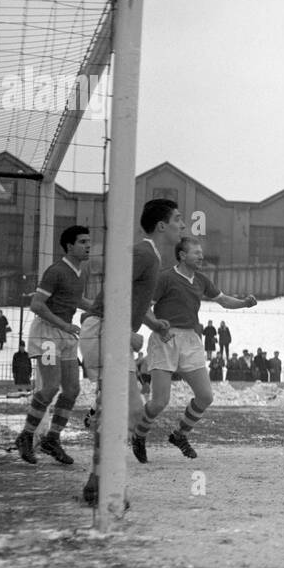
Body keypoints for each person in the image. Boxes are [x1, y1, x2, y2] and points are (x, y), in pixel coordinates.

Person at [79, 198, 186, 505]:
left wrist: (151, 321)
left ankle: (96, 482)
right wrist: (125, 331)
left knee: (115, 409)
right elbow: (113, 289)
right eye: (178, 219)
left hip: (107, 331)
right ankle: (106, 485)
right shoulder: (143, 253)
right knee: (130, 410)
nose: (183, 225)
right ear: (162, 226)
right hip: (104, 330)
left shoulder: (151, 257)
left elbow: (130, 296)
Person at [131, 237, 257, 460]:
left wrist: (244, 303)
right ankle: (139, 435)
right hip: (165, 338)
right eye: (196, 253)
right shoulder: (165, 278)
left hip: (190, 339)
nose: (201, 256)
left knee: (206, 396)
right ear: (182, 255)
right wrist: (157, 326)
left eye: (201, 253)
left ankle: (179, 434)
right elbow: (144, 308)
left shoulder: (201, 280)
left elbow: (223, 300)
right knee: (160, 401)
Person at [14, 226, 92, 467]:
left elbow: (74, 299)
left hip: (66, 335)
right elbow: (37, 305)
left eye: (89, 241)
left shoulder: (81, 271)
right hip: (47, 334)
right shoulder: (56, 271)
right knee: (50, 387)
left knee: (71, 390)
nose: (88, 245)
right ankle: (26, 436)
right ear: (69, 246)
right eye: (82, 242)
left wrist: (100, 307)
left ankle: (52, 439)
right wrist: (64, 325)